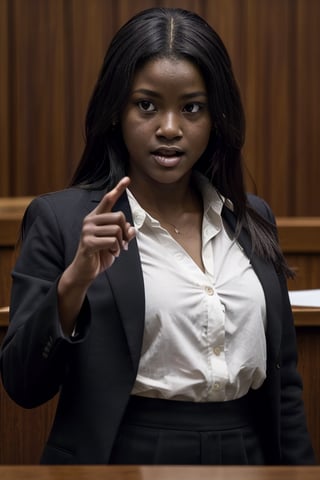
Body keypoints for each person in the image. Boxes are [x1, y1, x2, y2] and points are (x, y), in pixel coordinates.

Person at [0, 7, 315, 465]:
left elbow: (285, 390)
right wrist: (75, 282)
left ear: (215, 117)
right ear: (115, 111)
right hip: (123, 456)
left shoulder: (250, 218)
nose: (170, 128)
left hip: (249, 454)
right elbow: (23, 384)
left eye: (192, 108)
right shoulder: (62, 220)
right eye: (147, 105)